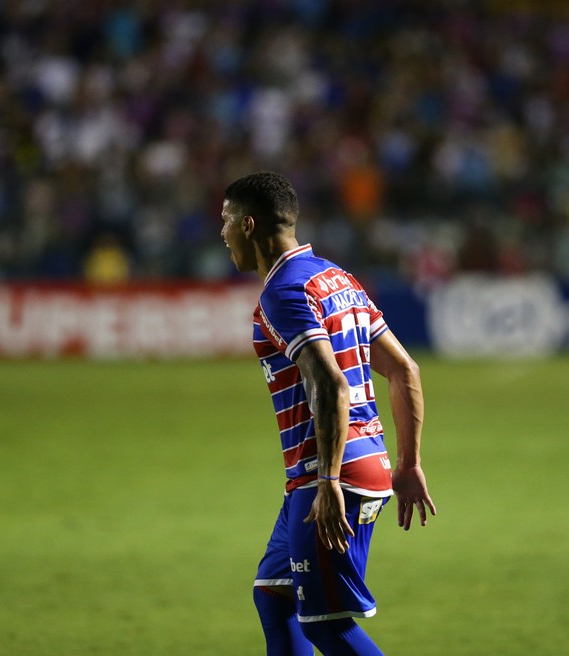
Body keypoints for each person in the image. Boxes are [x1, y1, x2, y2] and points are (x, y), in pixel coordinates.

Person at [221, 171, 436, 656]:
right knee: (274, 597)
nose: (223, 232)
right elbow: (404, 370)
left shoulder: (283, 292)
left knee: (327, 625)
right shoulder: (333, 277)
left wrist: (330, 481)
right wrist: (407, 463)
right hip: (351, 466)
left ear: (250, 225)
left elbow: (331, 385)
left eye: (227, 219)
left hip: (331, 473)